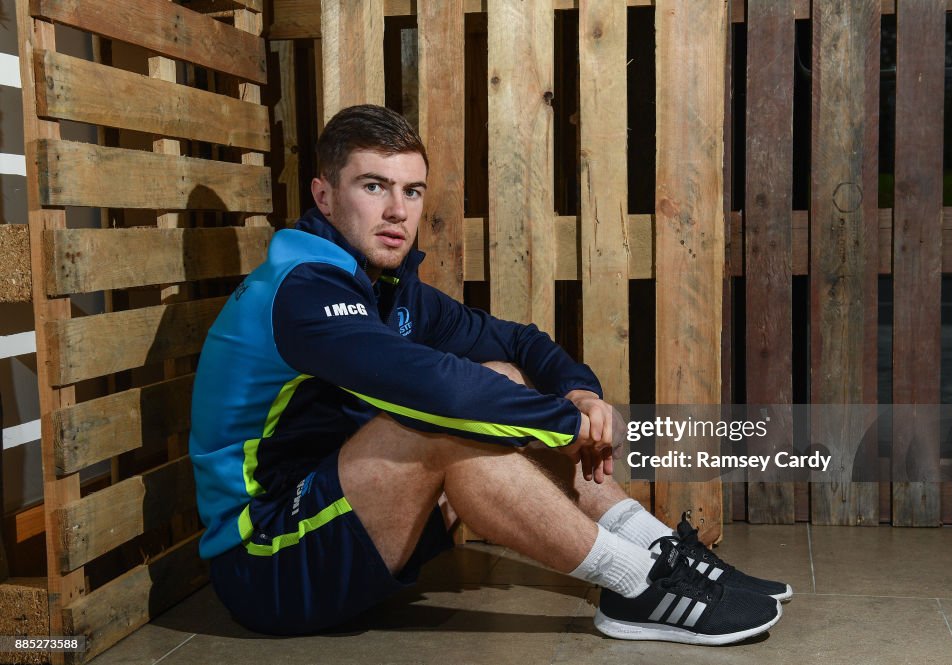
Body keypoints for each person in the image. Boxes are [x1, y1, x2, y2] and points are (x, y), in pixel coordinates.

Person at [188, 104, 790, 645]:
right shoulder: (302, 290)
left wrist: (579, 392)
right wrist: (564, 426)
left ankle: (656, 548)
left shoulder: (387, 288)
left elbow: (516, 342)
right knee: (443, 424)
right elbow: (439, 391)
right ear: (324, 197)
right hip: (266, 559)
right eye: (373, 187)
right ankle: (637, 584)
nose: (398, 211)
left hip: (340, 512)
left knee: (498, 371)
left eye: (413, 191)